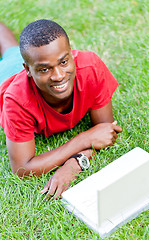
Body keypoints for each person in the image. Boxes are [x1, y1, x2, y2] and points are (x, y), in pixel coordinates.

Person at [0, 19, 122, 199]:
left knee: (10, 48)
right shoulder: (16, 101)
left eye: (63, 62)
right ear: (27, 70)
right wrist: (84, 139)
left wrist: (75, 163)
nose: (58, 76)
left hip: (35, 57)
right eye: (44, 70)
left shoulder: (90, 67)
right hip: (7, 74)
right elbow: (22, 169)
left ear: (71, 55)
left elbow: (105, 131)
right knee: (9, 54)